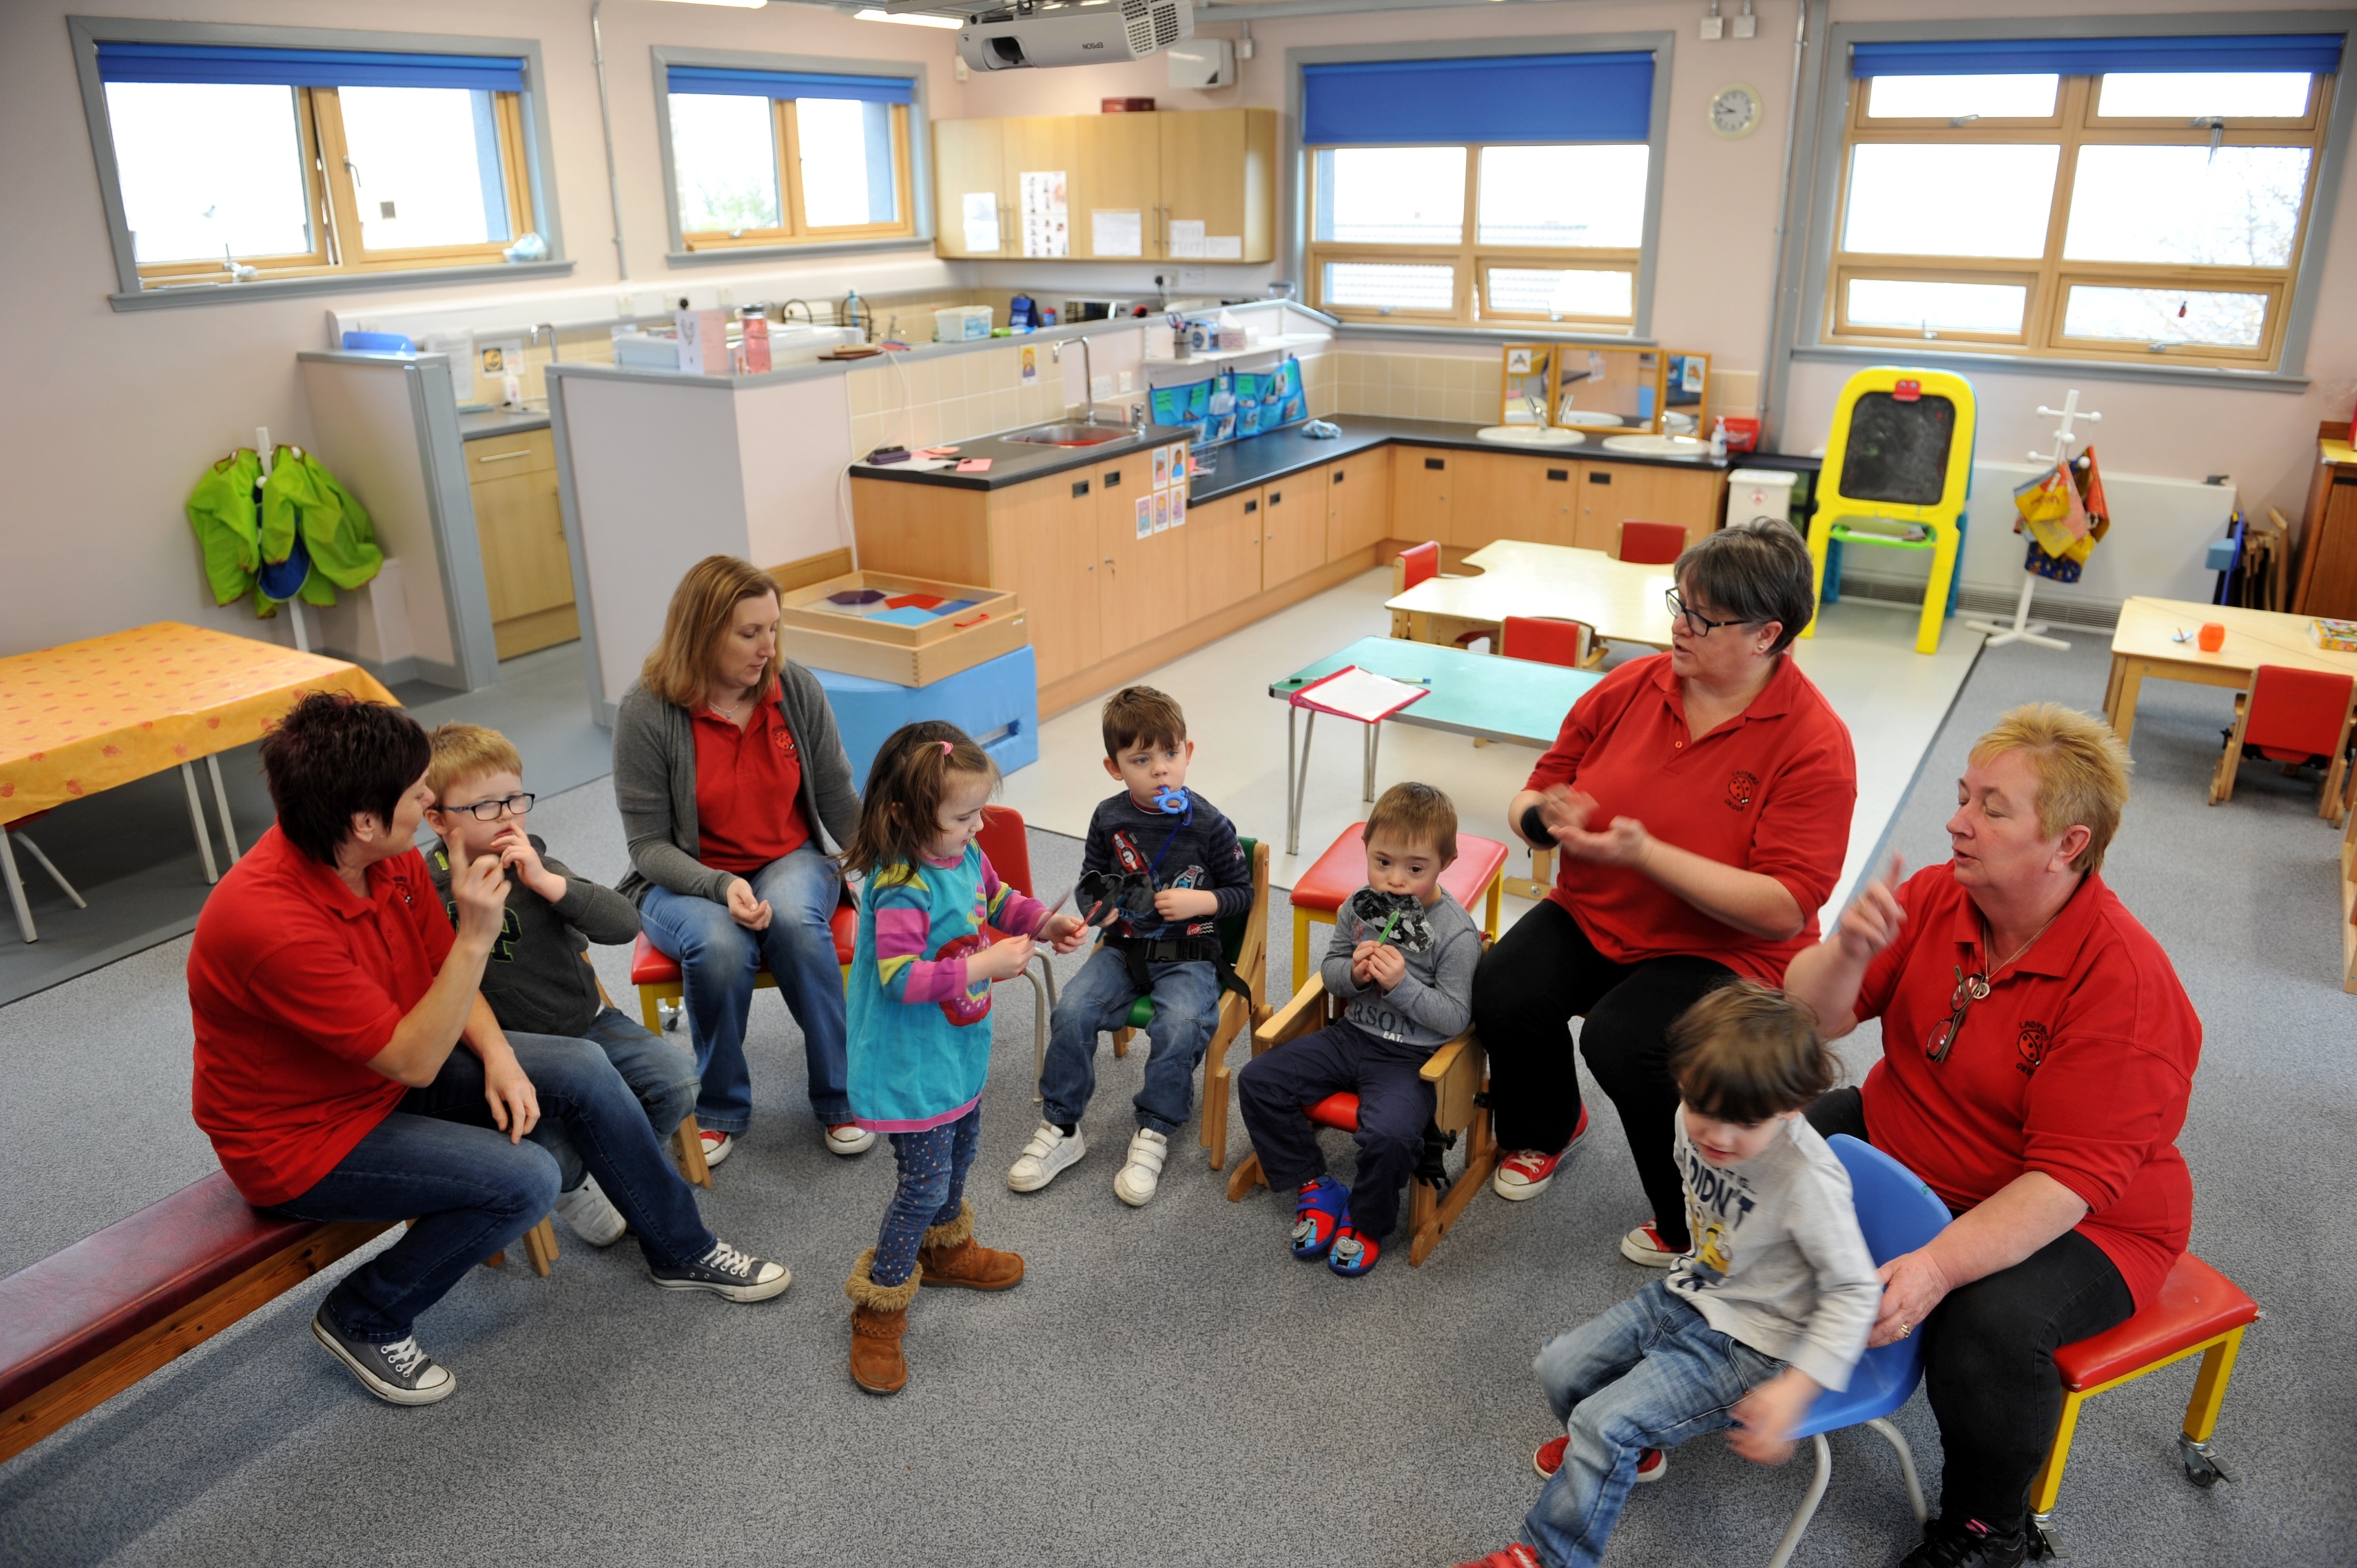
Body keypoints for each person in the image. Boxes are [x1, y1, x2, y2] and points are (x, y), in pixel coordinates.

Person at [188, 694, 789, 1408]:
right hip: (304, 1140)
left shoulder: (385, 862)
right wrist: (478, 934)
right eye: (417, 796)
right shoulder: (271, 924)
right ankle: (365, 1313)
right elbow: (417, 1051)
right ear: (362, 821)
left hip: (381, 1073)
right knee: (526, 1178)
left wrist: (502, 1059)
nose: (426, 805)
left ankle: (681, 1249)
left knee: (583, 1065)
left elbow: (445, 985)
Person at [1782, 704, 2198, 1568]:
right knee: (1769, 1153)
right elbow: (1808, 1021)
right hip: (1917, 1136)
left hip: (2087, 1218)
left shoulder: (2122, 985)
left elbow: (2065, 1184)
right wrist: (1847, 955)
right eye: (1963, 794)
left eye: (1991, 807)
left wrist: (1935, 1266)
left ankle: (1989, 1530)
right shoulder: (1943, 892)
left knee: (1987, 1324)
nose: (1956, 821)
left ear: (2067, 845)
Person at [1473, 518, 1856, 1269]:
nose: (1677, 626)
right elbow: (1543, 783)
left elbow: (1786, 903)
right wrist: (1544, 820)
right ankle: (1550, 1128)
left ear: (1766, 635)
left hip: (1727, 950)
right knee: (1502, 987)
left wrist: (1649, 854)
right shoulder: (1632, 685)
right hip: (1597, 912)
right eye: (1678, 603)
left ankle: (1691, 1220)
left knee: (1628, 1041)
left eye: (1702, 617)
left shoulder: (1814, 742)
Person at [1454, 983, 1879, 1568]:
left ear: (1790, 1108)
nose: (1716, 1136)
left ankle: (1549, 1556)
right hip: (1689, 1290)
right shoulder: (1692, 1115)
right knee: (1559, 1369)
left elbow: (1855, 1293)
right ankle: (1628, 1453)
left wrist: (1796, 1389)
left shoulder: (1810, 1182)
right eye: (1701, 1106)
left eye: (1743, 1123)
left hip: (1753, 1343)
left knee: (1606, 1424)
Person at [837, 724, 1086, 1394]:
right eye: (961, 817)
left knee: (963, 1149)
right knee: (920, 1185)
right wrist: (986, 962)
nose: (977, 829)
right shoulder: (900, 886)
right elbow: (899, 977)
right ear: (905, 815)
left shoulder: (966, 858)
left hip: (955, 1050)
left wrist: (1044, 923)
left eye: (978, 813)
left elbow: (1000, 900)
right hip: (909, 1062)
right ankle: (878, 1308)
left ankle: (946, 1251)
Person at [614, 553, 865, 1169]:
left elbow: (835, 797)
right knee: (721, 947)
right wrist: (721, 885)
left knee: (795, 925)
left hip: (789, 856)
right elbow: (647, 847)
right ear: (702, 634)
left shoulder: (794, 687)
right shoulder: (647, 710)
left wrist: (896, 861)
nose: (767, 647)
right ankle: (720, 1106)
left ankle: (841, 1096)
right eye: (749, 633)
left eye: (773, 628)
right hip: (682, 878)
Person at [422, 721, 699, 1248]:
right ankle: (576, 1183)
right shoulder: (429, 894)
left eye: (515, 800)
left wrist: (550, 885)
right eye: (485, 806)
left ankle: (613, 1161)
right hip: (516, 1056)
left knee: (678, 1085)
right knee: (552, 1152)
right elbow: (440, 992)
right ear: (437, 819)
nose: (507, 816)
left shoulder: (538, 861)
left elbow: (624, 926)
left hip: (587, 1023)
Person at [1007, 685, 1254, 1207]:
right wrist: (1101, 909)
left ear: (1188, 753)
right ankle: (1062, 1127)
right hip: (1122, 949)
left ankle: (1154, 1131)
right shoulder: (1108, 816)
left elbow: (1242, 893)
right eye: (1141, 760)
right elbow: (1092, 881)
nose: (1160, 770)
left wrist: (1201, 902)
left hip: (1188, 954)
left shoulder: (1209, 823)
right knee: (1071, 1011)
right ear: (1114, 766)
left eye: (1170, 754)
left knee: (1181, 1024)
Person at [1235, 783, 1481, 1277]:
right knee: (1258, 1081)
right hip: (1351, 1037)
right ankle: (1315, 1184)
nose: (1394, 880)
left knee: (1389, 1136)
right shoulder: (1359, 907)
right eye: (1382, 862)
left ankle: (1367, 1223)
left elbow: (1456, 1017)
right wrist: (1355, 974)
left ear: (1445, 863)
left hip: (1413, 1059)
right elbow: (1328, 970)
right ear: (1366, 851)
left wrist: (1401, 985)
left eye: (1415, 869)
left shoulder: (1456, 932)